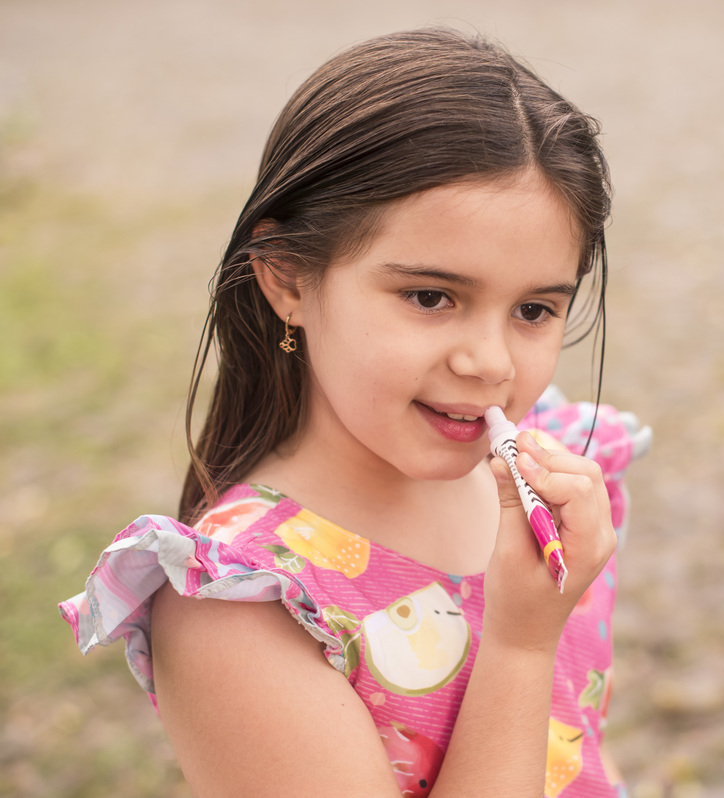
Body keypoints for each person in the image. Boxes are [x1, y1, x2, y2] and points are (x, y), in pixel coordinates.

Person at [58, 28, 651, 797]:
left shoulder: (549, 484)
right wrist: (519, 646)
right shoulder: (240, 607)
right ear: (287, 276)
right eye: (431, 297)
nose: (491, 363)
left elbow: (580, 751)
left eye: (534, 309)